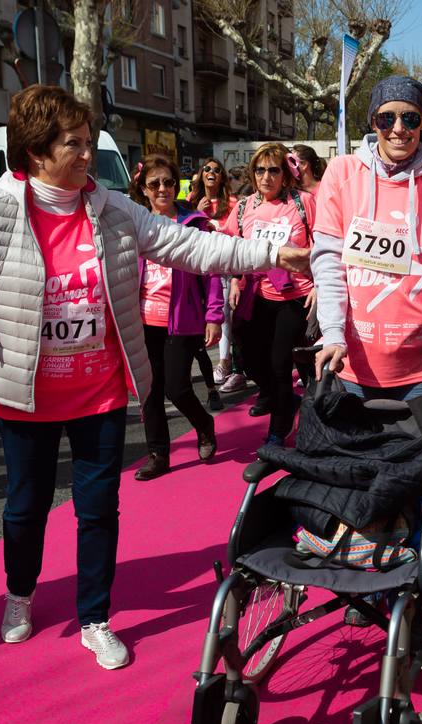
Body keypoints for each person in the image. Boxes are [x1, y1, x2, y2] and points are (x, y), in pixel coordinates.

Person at [0, 85, 306, 670]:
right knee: (24, 508)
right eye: (73, 145)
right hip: (23, 392)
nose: (86, 155)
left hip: (100, 389)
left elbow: (189, 246)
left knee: (98, 509)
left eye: (86, 143)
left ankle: (96, 617)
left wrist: (270, 256)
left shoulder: (110, 209)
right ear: (35, 151)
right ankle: (19, 595)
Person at [312, 75, 422, 404]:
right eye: (387, 118)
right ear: (373, 121)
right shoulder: (341, 172)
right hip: (351, 361)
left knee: (420, 456)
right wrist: (333, 334)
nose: (398, 128)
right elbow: (328, 261)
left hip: (420, 369)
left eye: (410, 118)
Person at [130, 154, 223, 478]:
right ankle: (158, 454)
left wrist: (214, 316)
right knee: (149, 391)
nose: (163, 189)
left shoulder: (194, 223)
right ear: (143, 189)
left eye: (169, 182)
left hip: (183, 320)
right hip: (143, 321)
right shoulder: (136, 224)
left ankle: (204, 424)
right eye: (154, 184)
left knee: (176, 388)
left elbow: (211, 270)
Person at [223, 142, 316, 445]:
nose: (266, 177)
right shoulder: (244, 207)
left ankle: (278, 426)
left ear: (285, 174)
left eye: (273, 170)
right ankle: (285, 401)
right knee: (250, 361)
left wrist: (320, 286)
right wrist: (237, 279)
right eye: (260, 170)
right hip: (257, 297)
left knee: (280, 363)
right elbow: (229, 248)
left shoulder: (303, 203)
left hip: (295, 296)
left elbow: (327, 246)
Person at [188, 156, 235, 405]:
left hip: (224, 269)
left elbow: (237, 233)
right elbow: (182, 229)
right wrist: (198, 212)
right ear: (201, 174)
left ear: (221, 177)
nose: (211, 173)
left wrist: (217, 230)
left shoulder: (232, 203)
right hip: (196, 270)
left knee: (224, 317)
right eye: (207, 168)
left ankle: (224, 363)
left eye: (217, 170)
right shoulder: (191, 202)